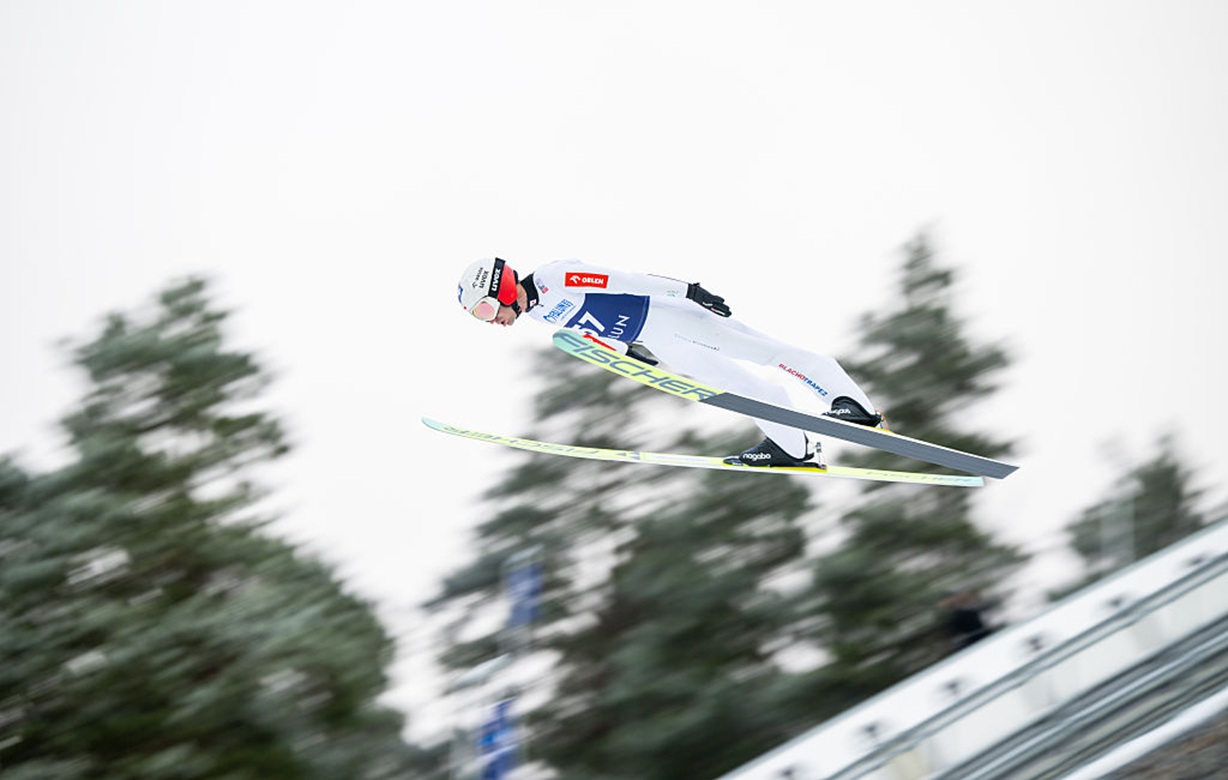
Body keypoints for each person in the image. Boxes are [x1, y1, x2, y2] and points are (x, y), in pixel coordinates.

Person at [456, 257, 884, 467]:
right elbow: (593, 329)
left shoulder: (554, 278)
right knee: (737, 390)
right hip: (658, 340)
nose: (492, 321)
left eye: (488, 310)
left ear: (503, 288)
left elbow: (624, 281)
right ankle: (793, 447)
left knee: (766, 353)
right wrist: (629, 353)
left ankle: (852, 404)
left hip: (672, 316)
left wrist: (689, 291)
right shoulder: (537, 313)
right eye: (482, 318)